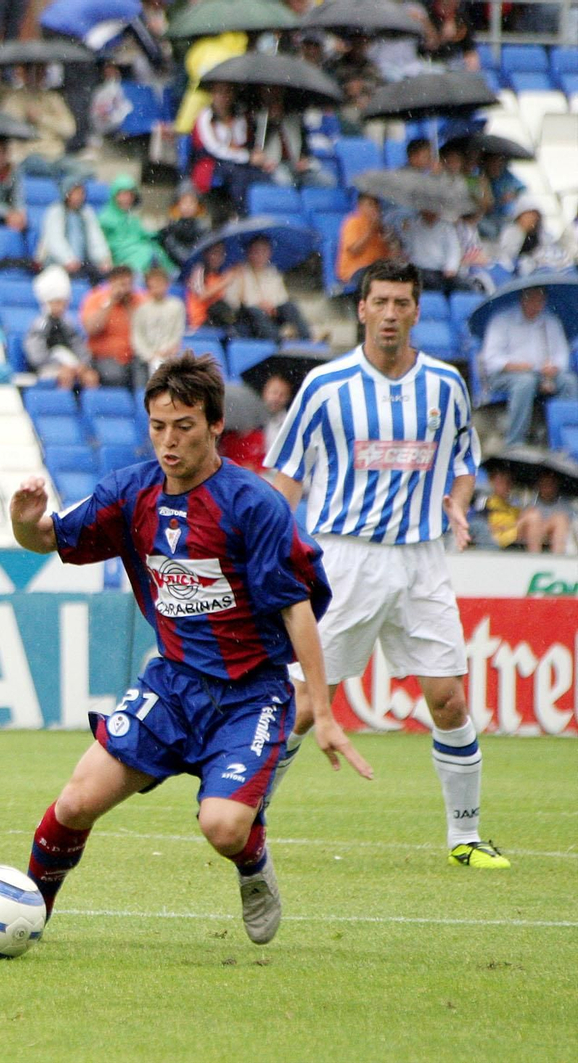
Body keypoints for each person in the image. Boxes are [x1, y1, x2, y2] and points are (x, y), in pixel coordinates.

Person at [8, 352, 367, 944]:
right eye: (158, 426)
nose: (168, 441)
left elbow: (296, 607)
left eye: (184, 426)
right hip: (172, 685)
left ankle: (252, 862)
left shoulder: (252, 504)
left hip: (250, 694)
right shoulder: (131, 492)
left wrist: (322, 712)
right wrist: (24, 522)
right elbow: (46, 539)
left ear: (215, 424)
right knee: (74, 803)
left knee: (222, 827)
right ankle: (26, 917)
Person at [264, 258, 510, 870]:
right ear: (362, 309)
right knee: (303, 705)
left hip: (423, 560)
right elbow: (285, 475)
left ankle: (465, 838)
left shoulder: (446, 386)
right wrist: (265, 550)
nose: (391, 314)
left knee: (449, 700)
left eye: (402, 303)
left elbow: (463, 462)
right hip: (344, 559)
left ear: (417, 311)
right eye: (381, 302)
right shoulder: (326, 386)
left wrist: (457, 504)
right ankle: (245, 814)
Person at [478, 286, 578, 447]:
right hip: (505, 376)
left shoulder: (550, 321)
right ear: (523, 300)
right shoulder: (502, 320)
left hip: (542, 375)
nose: (536, 305)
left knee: (569, 382)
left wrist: (554, 367)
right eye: (532, 300)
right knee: (525, 381)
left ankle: (564, 441)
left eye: (540, 301)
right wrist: (516, 366)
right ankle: (515, 442)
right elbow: (491, 359)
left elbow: (561, 355)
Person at [225, 235, 311, 341]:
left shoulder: (273, 273)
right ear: (249, 252)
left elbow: (282, 299)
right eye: (256, 251)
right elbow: (231, 301)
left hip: (270, 316)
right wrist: (256, 304)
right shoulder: (238, 271)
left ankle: (306, 338)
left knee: (290, 306)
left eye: (264, 252)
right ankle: (277, 341)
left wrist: (271, 307)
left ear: (269, 254)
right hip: (248, 318)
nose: (260, 256)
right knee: (254, 312)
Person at [25, 266, 95, 389]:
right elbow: (36, 356)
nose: (61, 307)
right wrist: (58, 365)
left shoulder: (68, 323)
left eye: (63, 303)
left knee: (91, 377)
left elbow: (78, 345)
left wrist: (82, 365)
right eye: (56, 302)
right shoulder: (39, 325)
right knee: (65, 376)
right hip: (47, 367)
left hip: (71, 364)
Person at [80, 265, 146, 389]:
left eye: (129, 284)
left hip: (135, 357)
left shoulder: (139, 300)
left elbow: (145, 329)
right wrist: (111, 301)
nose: (125, 289)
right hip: (104, 357)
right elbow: (92, 329)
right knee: (114, 376)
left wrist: (128, 305)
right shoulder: (96, 298)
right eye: (122, 284)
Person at [37, 175, 111, 283]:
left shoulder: (87, 212)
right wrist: (67, 260)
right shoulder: (55, 212)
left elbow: (95, 238)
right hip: (56, 263)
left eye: (81, 193)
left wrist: (102, 258)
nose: (78, 197)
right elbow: (55, 241)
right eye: (75, 193)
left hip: (81, 264)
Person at [98, 175, 174, 274]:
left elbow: (141, 234)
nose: (127, 198)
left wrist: (160, 232)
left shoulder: (131, 217)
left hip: (141, 251)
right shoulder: (105, 218)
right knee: (145, 254)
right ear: (115, 196)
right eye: (123, 194)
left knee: (158, 252)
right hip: (122, 256)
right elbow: (105, 244)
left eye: (130, 195)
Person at [132, 265, 184, 381]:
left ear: (167, 284)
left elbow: (177, 332)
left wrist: (165, 351)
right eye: (153, 285)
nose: (157, 288)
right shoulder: (141, 309)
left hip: (169, 355)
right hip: (146, 358)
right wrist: (149, 355)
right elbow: (137, 336)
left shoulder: (176, 306)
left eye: (159, 284)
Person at [497, 199, 574, 276]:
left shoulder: (543, 235)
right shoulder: (510, 233)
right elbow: (507, 257)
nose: (531, 219)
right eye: (528, 215)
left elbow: (549, 252)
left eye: (534, 216)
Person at [337, 193, 396, 289]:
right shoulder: (353, 222)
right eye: (370, 204)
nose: (374, 208)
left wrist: (388, 236)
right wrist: (371, 231)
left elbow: (391, 256)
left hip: (378, 269)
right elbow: (354, 250)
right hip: (355, 270)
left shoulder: (382, 226)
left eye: (376, 205)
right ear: (360, 206)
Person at [185, 240, 237, 332]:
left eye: (221, 254)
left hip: (218, 320)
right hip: (201, 321)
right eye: (214, 253)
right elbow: (201, 296)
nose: (217, 258)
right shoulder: (198, 271)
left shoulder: (219, 276)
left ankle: (235, 330)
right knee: (220, 307)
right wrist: (224, 282)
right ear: (206, 254)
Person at [158, 182, 211, 269]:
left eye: (191, 202)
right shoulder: (170, 227)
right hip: (173, 267)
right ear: (177, 204)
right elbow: (169, 246)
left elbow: (202, 248)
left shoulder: (202, 227)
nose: (188, 206)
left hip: (194, 266)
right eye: (184, 202)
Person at [519, 470, 573, 553]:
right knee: (533, 518)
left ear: (556, 485)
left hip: (557, 540)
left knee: (560, 520)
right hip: (532, 538)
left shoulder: (565, 506)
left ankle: (557, 557)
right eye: (544, 484)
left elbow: (571, 526)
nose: (547, 487)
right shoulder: (531, 504)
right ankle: (534, 556)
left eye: (550, 484)